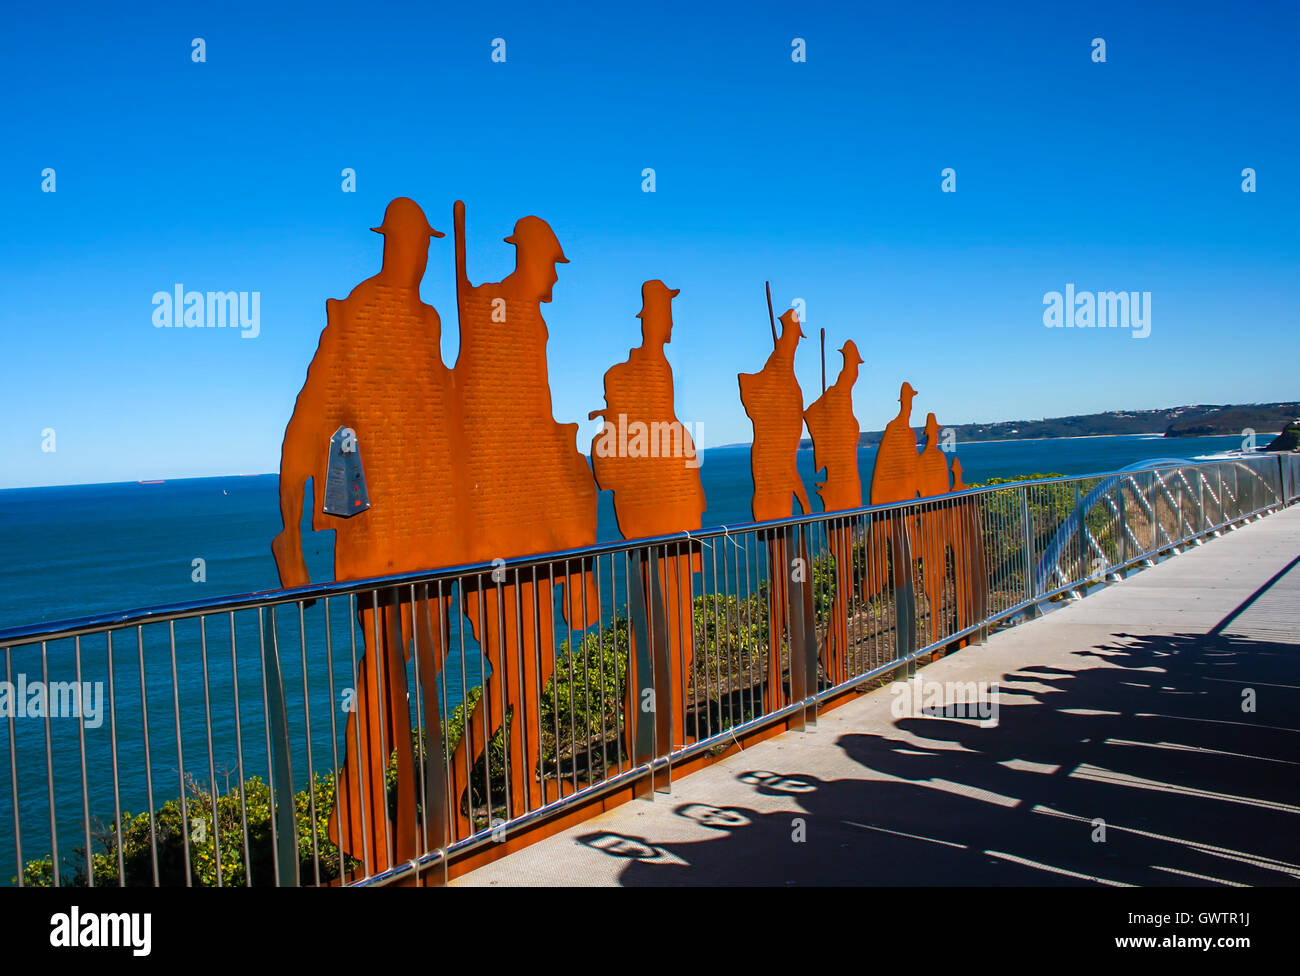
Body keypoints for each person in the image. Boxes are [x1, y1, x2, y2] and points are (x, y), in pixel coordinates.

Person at [272, 197, 461, 873]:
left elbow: (439, 417)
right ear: (390, 244)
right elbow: (309, 422)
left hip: (429, 532)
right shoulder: (355, 317)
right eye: (411, 241)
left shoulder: (429, 319)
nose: (419, 253)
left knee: (425, 664)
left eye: (425, 244)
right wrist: (290, 536)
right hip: (377, 534)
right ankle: (370, 827)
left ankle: (380, 815)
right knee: (385, 670)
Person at [448, 201, 601, 822]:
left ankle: (525, 783)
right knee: (517, 674)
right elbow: (489, 415)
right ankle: (452, 788)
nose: (557, 278)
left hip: (527, 530)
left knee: (532, 673)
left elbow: (530, 420)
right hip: (496, 534)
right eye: (553, 265)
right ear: (531, 259)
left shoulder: (524, 321)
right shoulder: (493, 311)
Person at [590, 280, 706, 749]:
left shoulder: (661, 368)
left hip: (678, 509)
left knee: (678, 635)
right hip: (653, 517)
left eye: (670, 314)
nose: (669, 323)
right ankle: (644, 735)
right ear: (649, 318)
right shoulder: (624, 375)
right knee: (652, 632)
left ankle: (672, 732)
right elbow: (618, 453)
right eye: (663, 313)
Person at [738, 308, 810, 711]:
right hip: (771, 493)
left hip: (783, 491)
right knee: (782, 590)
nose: (795, 344)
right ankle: (775, 685)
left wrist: (800, 494)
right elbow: (771, 436)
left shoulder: (788, 380)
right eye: (793, 337)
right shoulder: (777, 376)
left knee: (791, 588)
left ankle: (791, 678)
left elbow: (787, 451)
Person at [803, 340, 864, 685]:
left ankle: (833, 650)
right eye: (854, 364)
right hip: (839, 494)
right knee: (844, 580)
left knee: (847, 580)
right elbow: (812, 414)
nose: (857, 371)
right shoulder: (837, 393)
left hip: (848, 494)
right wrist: (823, 453)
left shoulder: (844, 395)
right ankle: (829, 652)